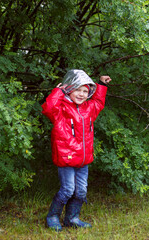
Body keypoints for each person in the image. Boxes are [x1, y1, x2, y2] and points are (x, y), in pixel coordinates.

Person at [41, 69, 111, 231]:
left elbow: (99, 102)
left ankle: (72, 218)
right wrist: (58, 91)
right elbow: (48, 108)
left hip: (83, 160)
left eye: (85, 91)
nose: (81, 94)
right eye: (77, 89)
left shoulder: (89, 108)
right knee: (67, 190)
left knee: (81, 192)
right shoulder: (61, 109)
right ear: (69, 89)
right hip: (66, 159)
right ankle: (52, 216)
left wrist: (101, 84)